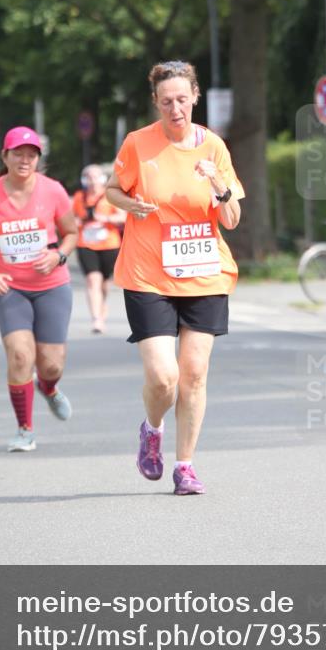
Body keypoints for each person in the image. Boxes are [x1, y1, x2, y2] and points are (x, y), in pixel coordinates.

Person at [105, 61, 244, 495]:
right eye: (166, 101)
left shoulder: (214, 147)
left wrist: (218, 184)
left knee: (195, 373)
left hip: (204, 273)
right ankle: (152, 429)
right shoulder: (137, 144)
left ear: (195, 97)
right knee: (165, 377)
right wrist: (129, 206)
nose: (175, 108)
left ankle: (185, 466)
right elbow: (112, 189)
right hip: (148, 273)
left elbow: (233, 218)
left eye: (182, 99)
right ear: (156, 103)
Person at [0, 126, 78, 452]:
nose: (25, 159)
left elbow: (72, 233)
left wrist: (58, 255)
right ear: (5, 156)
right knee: (20, 355)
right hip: (9, 288)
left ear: (38, 160)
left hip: (52, 286)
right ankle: (25, 429)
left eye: (31, 155)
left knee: (52, 365)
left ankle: (48, 387)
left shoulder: (54, 191)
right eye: (18, 153)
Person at [72, 164, 126, 333]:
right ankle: (96, 319)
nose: (92, 180)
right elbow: (72, 218)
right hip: (86, 244)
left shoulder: (110, 195)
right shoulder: (79, 197)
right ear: (84, 180)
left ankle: (102, 304)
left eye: (95, 176)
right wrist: (76, 222)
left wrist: (104, 218)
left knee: (104, 283)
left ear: (102, 179)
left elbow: (123, 217)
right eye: (88, 177)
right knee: (92, 280)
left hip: (109, 244)